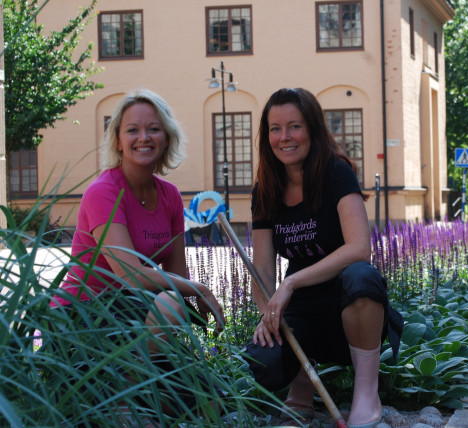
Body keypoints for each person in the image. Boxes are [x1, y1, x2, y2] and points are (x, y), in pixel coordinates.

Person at [50, 89, 225, 395]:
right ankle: (124, 402)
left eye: (153, 129)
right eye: (132, 130)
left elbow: (176, 276)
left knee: (206, 398)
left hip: (132, 316)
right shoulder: (102, 192)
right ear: (118, 141)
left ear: (166, 138)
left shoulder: (169, 195)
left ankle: (129, 393)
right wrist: (201, 289)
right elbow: (130, 276)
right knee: (170, 303)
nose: (143, 137)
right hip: (83, 318)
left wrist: (185, 321)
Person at [247, 88, 402, 427]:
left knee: (361, 276)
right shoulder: (265, 190)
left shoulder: (336, 173)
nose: (284, 137)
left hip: (350, 302)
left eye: (294, 126)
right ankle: (301, 387)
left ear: (313, 129)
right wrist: (268, 314)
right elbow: (260, 269)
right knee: (264, 360)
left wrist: (291, 282)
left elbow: (360, 248)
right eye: (275, 128)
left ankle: (366, 392)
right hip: (304, 308)